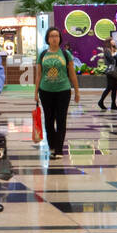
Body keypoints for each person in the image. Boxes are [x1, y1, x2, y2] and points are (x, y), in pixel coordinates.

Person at [35, 26, 79, 157]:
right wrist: (35, 93)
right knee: (49, 120)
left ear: (60, 39)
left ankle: (59, 150)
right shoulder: (42, 55)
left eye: (57, 36)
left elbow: (72, 74)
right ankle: (52, 145)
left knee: (61, 120)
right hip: (45, 91)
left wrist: (77, 91)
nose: (54, 39)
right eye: (52, 36)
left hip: (63, 91)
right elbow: (38, 75)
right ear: (47, 39)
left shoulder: (66, 54)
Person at [97, 40, 117, 111]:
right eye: (112, 41)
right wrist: (116, 55)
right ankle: (100, 101)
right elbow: (112, 60)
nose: (114, 42)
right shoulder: (107, 50)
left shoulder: (114, 49)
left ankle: (113, 104)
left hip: (115, 71)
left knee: (114, 88)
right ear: (109, 42)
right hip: (110, 71)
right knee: (109, 88)